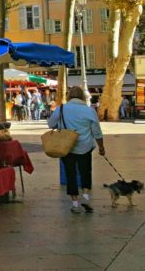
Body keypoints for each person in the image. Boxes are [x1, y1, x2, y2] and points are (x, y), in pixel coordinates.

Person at [48, 86, 105, 214]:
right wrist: (101, 147)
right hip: (85, 147)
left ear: (68, 96)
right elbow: (97, 132)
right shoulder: (89, 111)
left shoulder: (61, 108)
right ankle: (85, 197)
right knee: (85, 171)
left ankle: (75, 204)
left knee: (70, 174)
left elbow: (51, 124)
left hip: (66, 147)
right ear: (83, 97)